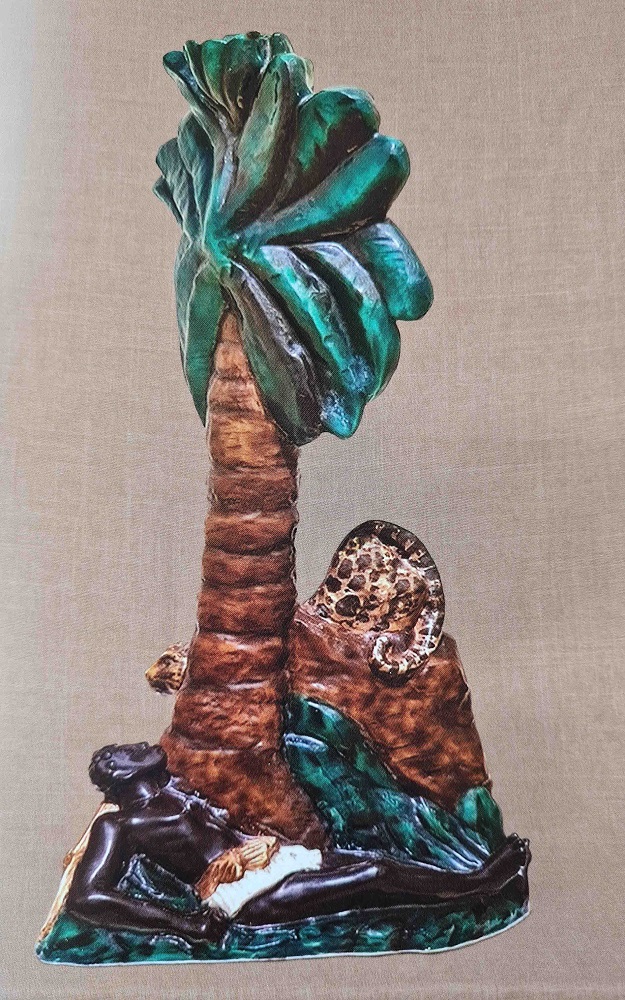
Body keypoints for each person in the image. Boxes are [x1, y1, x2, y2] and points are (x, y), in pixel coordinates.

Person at [65, 742, 530, 943]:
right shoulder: (119, 826)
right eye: (126, 752)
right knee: (375, 874)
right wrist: (184, 924)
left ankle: (467, 882)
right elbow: (87, 898)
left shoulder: (175, 791)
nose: (140, 746)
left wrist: (262, 843)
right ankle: (480, 885)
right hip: (252, 894)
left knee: (373, 861)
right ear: (118, 772)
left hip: (274, 859)